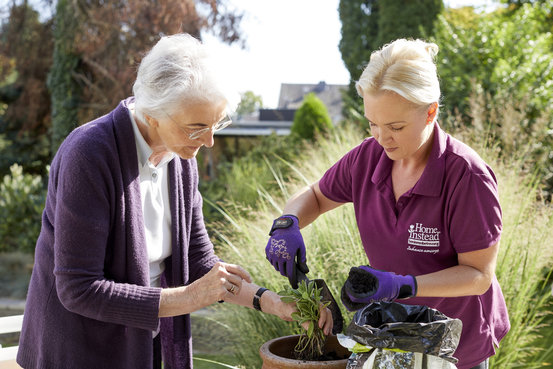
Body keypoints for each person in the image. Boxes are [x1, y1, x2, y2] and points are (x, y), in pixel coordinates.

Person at [17, 33, 332, 369]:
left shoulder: (181, 160)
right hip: (78, 351)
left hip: (141, 343)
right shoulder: (89, 154)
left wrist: (271, 301)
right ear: (153, 113)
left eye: (216, 124)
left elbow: (199, 261)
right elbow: (78, 288)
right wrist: (190, 297)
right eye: (196, 127)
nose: (209, 141)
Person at [265, 38, 509, 369]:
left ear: (430, 112)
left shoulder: (466, 176)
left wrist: (401, 285)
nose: (382, 138)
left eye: (395, 126)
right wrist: (287, 223)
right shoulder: (367, 158)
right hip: (390, 339)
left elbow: (478, 274)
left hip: (455, 347)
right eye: (373, 123)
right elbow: (316, 196)